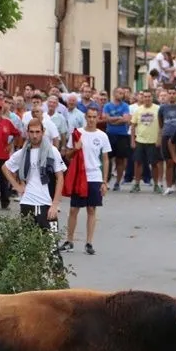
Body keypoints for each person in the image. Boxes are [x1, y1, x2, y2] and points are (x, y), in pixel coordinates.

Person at [61, 108, 111, 255]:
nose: (91, 119)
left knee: (91, 209)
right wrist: (75, 149)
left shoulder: (102, 136)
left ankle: (89, 243)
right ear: (85, 117)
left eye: (94, 117)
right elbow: (68, 156)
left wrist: (104, 181)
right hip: (79, 176)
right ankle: (69, 241)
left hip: (94, 176)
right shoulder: (77, 134)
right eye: (89, 116)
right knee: (73, 209)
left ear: (97, 118)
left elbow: (106, 159)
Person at [2, 118, 67, 231]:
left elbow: (60, 177)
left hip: (47, 203)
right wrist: (17, 186)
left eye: (37, 132)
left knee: (52, 245)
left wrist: (55, 204)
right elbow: (5, 168)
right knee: (29, 246)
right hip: (27, 203)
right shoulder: (22, 153)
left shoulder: (52, 151)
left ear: (43, 132)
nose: (34, 135)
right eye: (31, 132)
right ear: (27, 133)